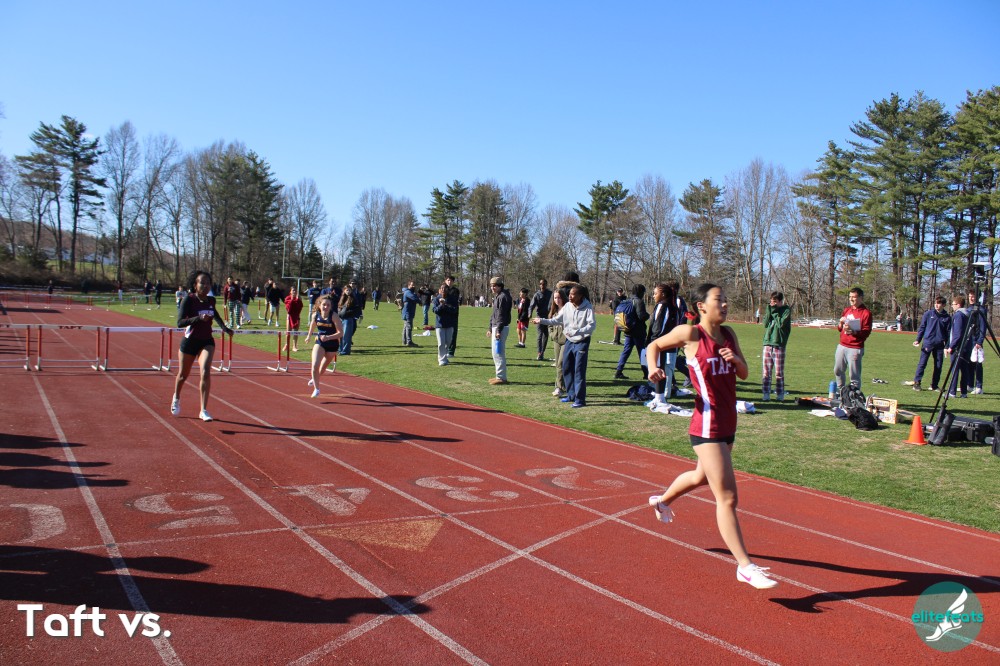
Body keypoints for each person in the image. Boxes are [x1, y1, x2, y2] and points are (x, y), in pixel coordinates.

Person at [645, 283, 778, 590]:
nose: (726, 304)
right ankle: (745, 567)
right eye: (719, 300)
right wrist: (653, 368)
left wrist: (736, 360)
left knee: (700, 477)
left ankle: (662, 501)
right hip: (706, 425)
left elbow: (744, 373)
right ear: (701, 306)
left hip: (729, 422)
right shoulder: (690, 334)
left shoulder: (729, 334)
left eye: (726, 299)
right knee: (727, 497)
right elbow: (654, 346)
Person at [171, 270, 233, 422]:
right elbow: (180, 322)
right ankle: (176, 397)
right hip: (190, 341)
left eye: (208, 283)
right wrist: (198, 318)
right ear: (195, 285)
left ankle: (203, 410)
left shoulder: (211, 300)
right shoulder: (189, 299)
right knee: (183, 375)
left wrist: (225, 328)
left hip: (206, 341)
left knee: (205, 371)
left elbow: (215, 315)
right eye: (202, 283)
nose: (205, 286)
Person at [534, 285, 596, 407]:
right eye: (569, 294)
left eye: (573, 294)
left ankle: (580, 400)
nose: (570, 296)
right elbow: (556, 320)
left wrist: (577, 332)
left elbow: (591, 325)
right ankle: (571, 395)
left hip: (582, 342)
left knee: (579, 371)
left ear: (580, 296)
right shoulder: (567, 306)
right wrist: (541, 320)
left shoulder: (588, 308)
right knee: (566, 368)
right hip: (569, 341)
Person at [646, 282, 679, 412]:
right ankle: (658, 395)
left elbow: (659, 326)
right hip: (663, 343)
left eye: (655, 293)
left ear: (663, 294)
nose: (653, 296)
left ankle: (659, 397)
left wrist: (653, 342)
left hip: (658, 343)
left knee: (658, 368)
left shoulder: (663, 305)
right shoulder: (670, 305)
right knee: (660, 367)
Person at [303, 295, 343, 399]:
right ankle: (316, 389)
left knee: (322, 369)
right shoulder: (315, 315)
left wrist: (328, 337)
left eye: (328, 305)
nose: (326, 307)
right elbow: (312, 325)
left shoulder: (334, 316)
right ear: (319, 305)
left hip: (332, 344)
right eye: (324, 304)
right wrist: (308, 336)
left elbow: (340, 333)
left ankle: (315, 378)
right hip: (320, 342)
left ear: (331, 306)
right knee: (315, 365)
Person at [907, 296, 950, 392]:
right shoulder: (928, 314)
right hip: (928, 343)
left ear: (943, 305)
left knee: (938, 366)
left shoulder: (947, 317)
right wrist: (918, 340)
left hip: (939, 345)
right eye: (935, 303)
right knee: (922, 363)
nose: (936, 305)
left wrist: (947, 346)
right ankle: (917, 383)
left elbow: (948, 333)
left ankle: (934, 385)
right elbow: (922, 327)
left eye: (939, 303)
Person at [833, 287, 872, 390]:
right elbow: (839, 329)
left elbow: (866, 332)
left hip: (855, 347)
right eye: (850, 297)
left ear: (861, 298)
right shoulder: (847, 310)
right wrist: (841, 323)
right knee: (837, 370)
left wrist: (854, 331)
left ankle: (854, 395)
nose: (851, 299)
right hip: (842, 345)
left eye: (854, 297)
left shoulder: (866, 313)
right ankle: (841, 392)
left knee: (854, 375)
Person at [614, 284, 649, 380]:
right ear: (641, 292)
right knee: (642, 352)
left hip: (628, 330)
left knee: (626, 351)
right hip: (638, 332)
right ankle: (646, 373)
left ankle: (618, 371)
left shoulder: (626, 301)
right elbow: (642, 316)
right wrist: (649, 315)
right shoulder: (639, 302)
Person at [761, 291, 791, 401]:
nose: (772, 303)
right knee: (766, 372)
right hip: (768, 343)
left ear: (780, 301)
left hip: (779, 344)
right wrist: (769, 310)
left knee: (779, 372)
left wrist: (774, 311)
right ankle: (766, 393)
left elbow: (780, 324)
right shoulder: (770, 308)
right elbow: (765, 324)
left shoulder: (786, 310)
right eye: (771, 301)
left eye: (775, 301)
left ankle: (780, 394)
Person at [945, 294, 973, 398]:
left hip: (958, 347)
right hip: (967, 346)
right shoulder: (968, 314)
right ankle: (964, 392)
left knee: (955, 369)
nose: (952, 306)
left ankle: (952, 392)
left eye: (953, 304)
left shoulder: (958, 315)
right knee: (964, 369)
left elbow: (957, 333)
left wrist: (951, 346)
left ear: (958, 305)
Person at [488, 276, 513, 385]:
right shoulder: (499, 296)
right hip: (497, 326)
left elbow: (501, 315)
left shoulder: (502, 297)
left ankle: (501, 377)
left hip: (500, 327)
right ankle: (499, 375)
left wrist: (498, 330)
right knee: (495, 352)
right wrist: (490, 328)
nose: (492, 288)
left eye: (494, 286)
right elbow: (494, 314)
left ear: (500, 286)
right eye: (491, 286)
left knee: (498, 353)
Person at [547, 289, 568, 397]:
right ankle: (562, 386)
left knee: (560, 364)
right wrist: (552, 334)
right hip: (556, 341)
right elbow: (550, 324)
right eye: (555, 298)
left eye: (559, 297)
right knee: (558, 365)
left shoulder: (567, 310)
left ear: (563, 298)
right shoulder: (553, 311)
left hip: (566, 341)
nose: (557, 300)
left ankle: (559, 388)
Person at [432, 283, 457, 365]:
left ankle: (444, 357)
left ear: (448, 290)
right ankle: (441, 359)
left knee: (448, 342)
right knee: (441, 343)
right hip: (440, 324)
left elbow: (454, 310)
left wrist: (445, 305)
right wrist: (441, 305)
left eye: (445, 288)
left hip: (450, 324)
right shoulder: (436, 299)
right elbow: (435, 310)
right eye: (442, 288)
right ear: (439, 290)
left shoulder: (452, 299)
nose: (443, 290)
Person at [966, 289, 986, 394]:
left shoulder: (981, 310)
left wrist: (980, 341)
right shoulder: (969, 309)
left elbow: (983, 327)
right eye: (970, 296)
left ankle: (979, 387)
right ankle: (970, 384)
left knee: (978, 363)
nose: (971, 298)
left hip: (976, 340)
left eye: (973, 296)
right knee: (969, 362)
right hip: (968, 340)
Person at [528, 278, 553, 361]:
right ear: (539, 285)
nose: (542, 285)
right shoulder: (537, 294)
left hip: (548, 317)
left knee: (546, 335)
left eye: (544, 284)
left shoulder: (550, 294)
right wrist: (530, 313)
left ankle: (542, 352)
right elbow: (531, 305)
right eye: (541, 284)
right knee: (540, 335)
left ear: (546, 284)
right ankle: (539, 352)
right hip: (539, 317)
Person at [337, 279, 361, 354]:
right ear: (344, 291)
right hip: (341, 319)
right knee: (340, 335)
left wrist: (348, 313)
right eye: (347, 290)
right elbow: (339, 307)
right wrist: (339, 312)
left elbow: (356, 309)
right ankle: (340, 349)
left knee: (346, 336)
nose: (348, 291)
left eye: (349, 290)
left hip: (348, 319)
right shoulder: (342, 298)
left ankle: (346, 350)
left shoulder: (353, 299)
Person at [283, 286, 304, 352]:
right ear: (290, 291)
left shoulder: (298, 299)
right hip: (290, 317)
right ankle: (287, 344)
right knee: (288, 332)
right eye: (293, 290)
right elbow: (288, 309)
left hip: (296, 317)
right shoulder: (287, 298)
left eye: (295, 290)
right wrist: (292, 300)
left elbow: (300, 307)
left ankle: (294, 346)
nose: (294, 292)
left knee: (296, 332)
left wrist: (298, 300)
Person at [444, 275, 461, 357]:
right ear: (445, 281)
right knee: (444, 333)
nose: (449, 282)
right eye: (448, 280)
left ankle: (451, 352)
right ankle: (444, 350)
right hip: (444, 314)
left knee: (453, 333)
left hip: (453, 314)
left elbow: (452, 300)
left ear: (453, 282)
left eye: (451, 280)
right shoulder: (443, 289)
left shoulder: (455, 291)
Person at [401, 280, 420, 347]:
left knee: (406, 327)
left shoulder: (409, 292)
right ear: (408, 285)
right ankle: (409, 342)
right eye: (412, 285)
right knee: (409, 327)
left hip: (408, 312)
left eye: (414, 285)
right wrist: (419, 301)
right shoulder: (408, 292)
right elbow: (414, 298)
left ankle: (404, 341)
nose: (413, 286)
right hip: (407, 312)